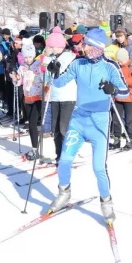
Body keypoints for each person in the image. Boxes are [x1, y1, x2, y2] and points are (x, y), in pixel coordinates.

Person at [46, 28, 129, 224]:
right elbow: (59, 83)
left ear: (100, 48)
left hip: (99, 122)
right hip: (79, 120)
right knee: (64, 160)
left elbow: (125, 93)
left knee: (98, 167)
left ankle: (106, 203)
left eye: (90, 46)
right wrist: (54, 73)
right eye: (86, 45)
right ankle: (64, 192)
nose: (86, 49)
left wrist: (114, 89)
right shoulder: (78, 63)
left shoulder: (110, 67)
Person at [44, 29, 77, 164]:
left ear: (58, 46)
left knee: (64, 129)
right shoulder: (53, 58)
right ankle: (59, 154)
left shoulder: (69, 57)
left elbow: (68, 75)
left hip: (68, 97)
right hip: (56, 97)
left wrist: (57, 70)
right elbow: (49, 76)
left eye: (51, 46)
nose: (49, 48)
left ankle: (67, 155)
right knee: (56, 129)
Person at [11, 40, 43, 160]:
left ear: (34, 55)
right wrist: (15, 78)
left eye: (30, 57)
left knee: (33, 124)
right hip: (27, 97)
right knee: (30, 123)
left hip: (38, 98)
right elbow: (19, 82)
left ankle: (35, 148)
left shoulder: (39, 64)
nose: (28, 59)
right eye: (25, 57)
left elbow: (44, 77)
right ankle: (34, 146)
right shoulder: (22, 67)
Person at [110, 48, 132, 151]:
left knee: (129, 120)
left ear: (126, 58)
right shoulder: (116, 66)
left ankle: (129, 140)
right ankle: (116, 140)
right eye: (118, 60)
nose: (119, 62)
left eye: (121, 60)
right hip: (118, 96)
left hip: (130, 97)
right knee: (116, 119)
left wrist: (123, 80)